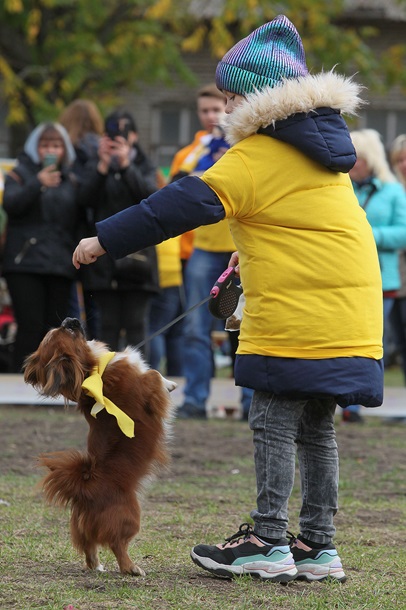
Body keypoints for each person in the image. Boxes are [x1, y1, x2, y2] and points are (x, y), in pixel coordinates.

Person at [73, 15, 383, 582]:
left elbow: (176, 206)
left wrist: (103, 239)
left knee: (271, 416)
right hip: (350, 314)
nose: (227, 107)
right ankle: (318, 546)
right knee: (319, 425)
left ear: (255, 98)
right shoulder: (323, 154)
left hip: (299, 316)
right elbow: (303, 225)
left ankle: (267, 539)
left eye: (231, 95)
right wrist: (253, 250)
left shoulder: (256, 155)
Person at [170, 83, 253, 419]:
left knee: (245, 326)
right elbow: (176, 186)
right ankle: (195, 400)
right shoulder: (192, 150)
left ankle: (250, 402)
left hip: (240, 246)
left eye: (219, 109)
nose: (212, 116)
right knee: (194, 328)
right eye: (205, 111)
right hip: (203, 247)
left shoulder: (247, 141)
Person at [77, 109, 159, 352]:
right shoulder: (94, 164)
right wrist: (102, 166)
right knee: (106, 328)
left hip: (139, 260)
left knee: (136, 327)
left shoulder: (143, 164)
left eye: (122, 134)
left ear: (133, 136)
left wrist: (125, 166)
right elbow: (83, 200)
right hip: (104, 261)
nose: (115, 141)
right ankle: (107, 383)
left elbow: (151, 199)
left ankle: (139, 384)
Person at [2, 122, 79, 372]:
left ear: (64, 149)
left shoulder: (72, 178)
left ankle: (50, 385)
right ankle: (21, 381)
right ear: (35, 148)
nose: (51, 150)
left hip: (60, 263)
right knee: (29, 326)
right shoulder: (19, 173)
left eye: (56, 145)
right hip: (25, 262)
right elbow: (11, 205)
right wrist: (37, 183)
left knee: (54, 331)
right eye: (45, 145)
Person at [342, 129, 406, 422]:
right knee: (345, 339)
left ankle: (366, 399)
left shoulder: (393, 191)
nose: (354, 164)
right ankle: (349, 406)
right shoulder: (340, 188)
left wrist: (366, 235)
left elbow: (403, 233)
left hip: (382, 278)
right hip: (343, 276)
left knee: (373, 340)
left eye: (360, 159)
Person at [59, 99, 105, 338]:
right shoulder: (100, 148)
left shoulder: (65, 152)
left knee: (70, 305)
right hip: (96, 233)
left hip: (69, 233)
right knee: (94, 302)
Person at [388, 134, 406, 385]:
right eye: (400, 160)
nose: (404, 165)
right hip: (396, 277)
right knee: (400, 341)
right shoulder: (390, 190)